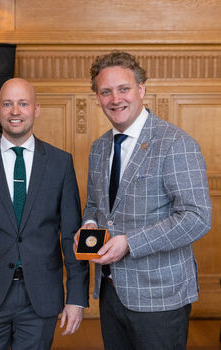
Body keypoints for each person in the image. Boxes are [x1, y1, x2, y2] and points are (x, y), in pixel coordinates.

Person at [0, 78, 89, 350]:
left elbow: (72, 235)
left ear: (36, 109)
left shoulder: (61, 163)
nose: (15, 111)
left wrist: (77, 298)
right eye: (8, 104)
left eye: (23, 104)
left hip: (40, 296)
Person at [81, 51, 212, 349]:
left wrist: (130, 242)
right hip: (111, 293)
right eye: (105, 91)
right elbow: (95, 206)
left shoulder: (176, 144)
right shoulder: (100, 147)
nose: (115, 98)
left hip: (161, 298)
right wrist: (89, 225)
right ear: (98, 98)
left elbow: (197, 218)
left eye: (123, 88)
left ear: (141, 89)